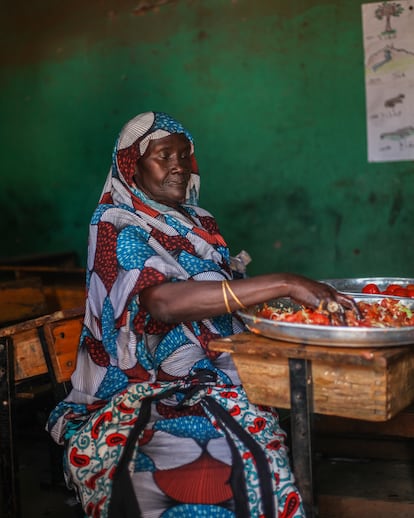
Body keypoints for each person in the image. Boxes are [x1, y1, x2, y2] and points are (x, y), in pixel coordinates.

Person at [47, 111, 357, 518]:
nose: (178, 164)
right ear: (132, 165)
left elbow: (222, 298)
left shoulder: (199, 221)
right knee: (197, 467)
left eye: (184, 154)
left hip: (217, 375)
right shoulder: (116, 222)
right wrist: (285, 283)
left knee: (261, 451)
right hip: (144, 386)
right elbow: (162, 302)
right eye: (163, 155)